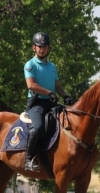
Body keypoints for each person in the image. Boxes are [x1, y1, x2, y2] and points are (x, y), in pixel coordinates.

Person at [23, 32, 75, 171]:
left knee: (67, 122)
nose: (42, 49)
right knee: (39, 127)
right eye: (39, 46)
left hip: (51, 102)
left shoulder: (52, 67)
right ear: (33, 47)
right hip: (37, 103)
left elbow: (57, 86)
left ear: (49, 48)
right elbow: (31, 85)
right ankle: (29, 159)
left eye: (44, 46)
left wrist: (65, 96)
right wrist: (48, 92)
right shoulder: (30, 65)